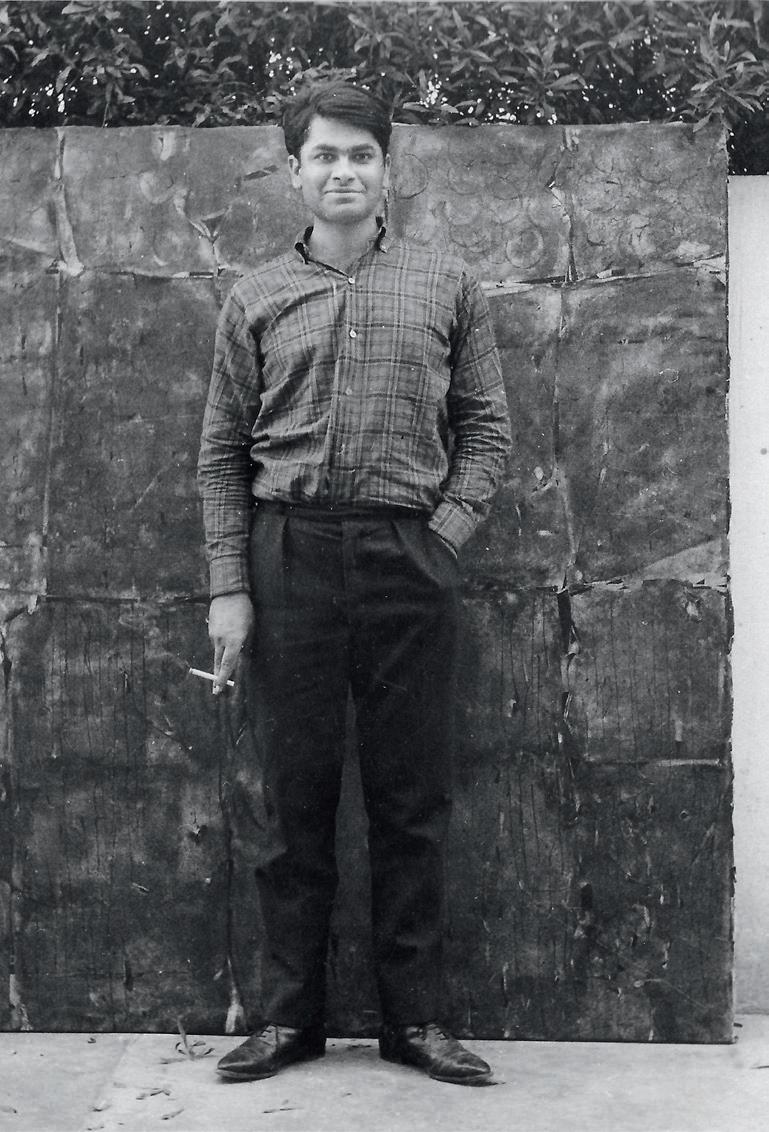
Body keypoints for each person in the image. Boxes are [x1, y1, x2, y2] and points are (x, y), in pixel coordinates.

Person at [197, 81, 511, 1085]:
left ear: (387, 168)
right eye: (324, 155)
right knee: (291, 801)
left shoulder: (445, 285)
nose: (343, 171)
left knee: (410, 799)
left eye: (361, 154)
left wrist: (440, 540)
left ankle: (413, 1021)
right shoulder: (255, 297)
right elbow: (220, 455)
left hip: (406, 558)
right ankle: (288, 1019)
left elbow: (486, 430)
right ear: (293, 172)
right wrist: (230, 586)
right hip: (288, 555)